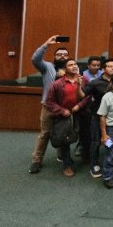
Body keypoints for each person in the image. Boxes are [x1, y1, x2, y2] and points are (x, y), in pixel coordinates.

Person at [28, 35, 69, 174]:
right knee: (45, 134)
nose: (62, 56)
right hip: (48, 107)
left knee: (63, 133)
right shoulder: (47, 67)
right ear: (54, 56)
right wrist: (47, 43)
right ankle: (36, 160)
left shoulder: (72, 70)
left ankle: (61, 155)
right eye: (59, 54)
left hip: (64, 108)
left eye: (65, 55)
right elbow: (35, 59)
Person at [44, 59, 90, 177]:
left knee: (84, 136)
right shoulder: (57, 84)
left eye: (75, 64)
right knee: (65, 141)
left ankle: (86, 158)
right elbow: (49, 102)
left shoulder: (83, 79)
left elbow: (88, 96)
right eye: (70, 65)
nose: (74, 66)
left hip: (81, 113)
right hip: (65, 115)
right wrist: (61, 110)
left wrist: (79, 106)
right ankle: (67, 165)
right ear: (65, 69)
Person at [83, 59, 113, 178]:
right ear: (103, 69)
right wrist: (78, 85)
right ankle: (94, 164)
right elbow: (82, 95)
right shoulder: (95, 82)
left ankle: (108, 161)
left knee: (109, 140)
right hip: (97, 116)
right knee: (96, 141)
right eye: (109, 66)